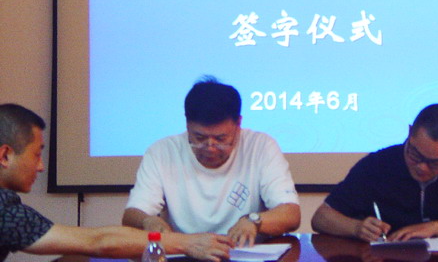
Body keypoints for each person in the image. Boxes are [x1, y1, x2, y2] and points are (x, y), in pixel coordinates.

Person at [0, 103, 233, 262]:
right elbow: (99, 242)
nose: (41, 166)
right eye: (36, 154)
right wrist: (187, 243)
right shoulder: (4, 210)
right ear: (5, 155)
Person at [123, 76, 300, 247]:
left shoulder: (261, 146)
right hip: (184, 252)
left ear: (238, 124)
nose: (210, 147)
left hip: (245, 253)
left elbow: (291, 214)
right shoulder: (162, 152)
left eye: (221, 139)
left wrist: (253, 221)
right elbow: (132, 214)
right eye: (199, 138)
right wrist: (148, 221)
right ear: (187, 124)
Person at [311, 103, 438, 242]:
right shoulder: (378, 165)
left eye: (436, 163)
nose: (422, 167)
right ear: (410, 133)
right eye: (415, 154)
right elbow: (321, 218)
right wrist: (356, 228)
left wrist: (434, 228)